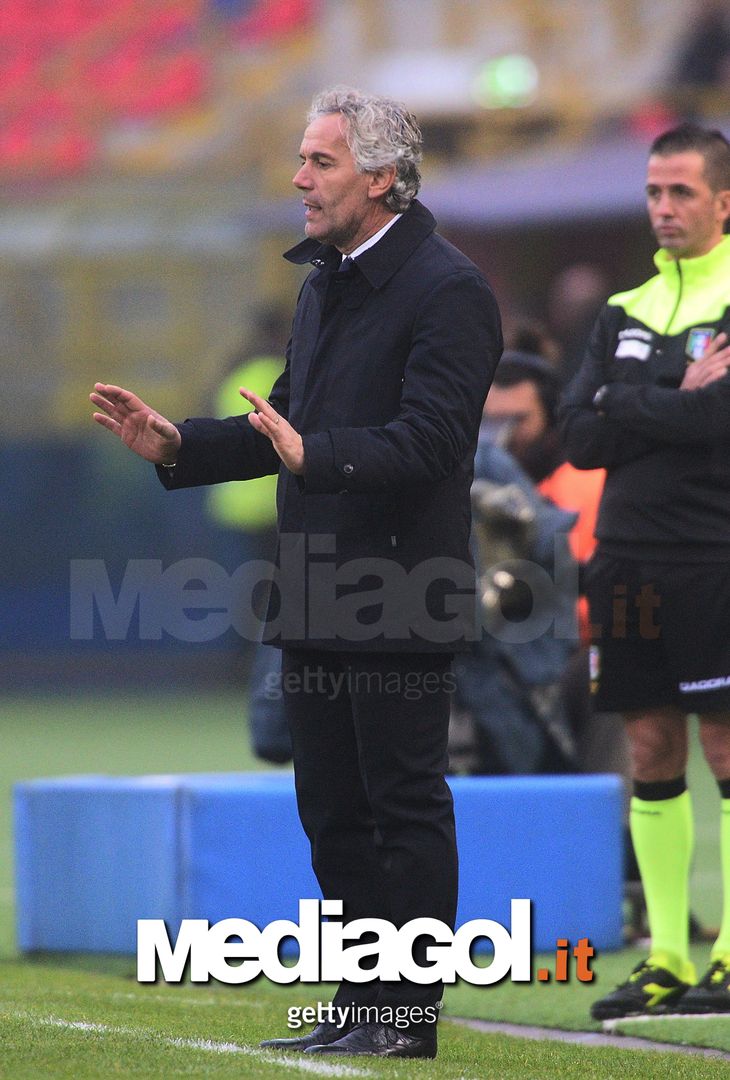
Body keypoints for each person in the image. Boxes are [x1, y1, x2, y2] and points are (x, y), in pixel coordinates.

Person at [90, 86, 502, 1058]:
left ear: (383, 178)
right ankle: (360, 1002)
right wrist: (180, 445)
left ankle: (407, 1017)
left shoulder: (450, 289)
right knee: (333, 811)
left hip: (402, 589)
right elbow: (281, 425)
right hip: (315, 584)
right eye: (302, 160)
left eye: (320, 162)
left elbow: (433, 440)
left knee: (403, 804)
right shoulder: (323, 283)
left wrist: (318, 456)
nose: (298, 179)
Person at [560, 122, 730, 1019]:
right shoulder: (624, 307)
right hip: (624, 559)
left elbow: (716, 421)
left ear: (723, 202)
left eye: (682, 193)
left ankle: (729, 957)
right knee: (651, 748)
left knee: (724, 749)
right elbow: (577, 435)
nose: (664, 208)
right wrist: (670, 397)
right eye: (654, 192)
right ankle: (666, 958)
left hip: (714, 558)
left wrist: (622, 403)